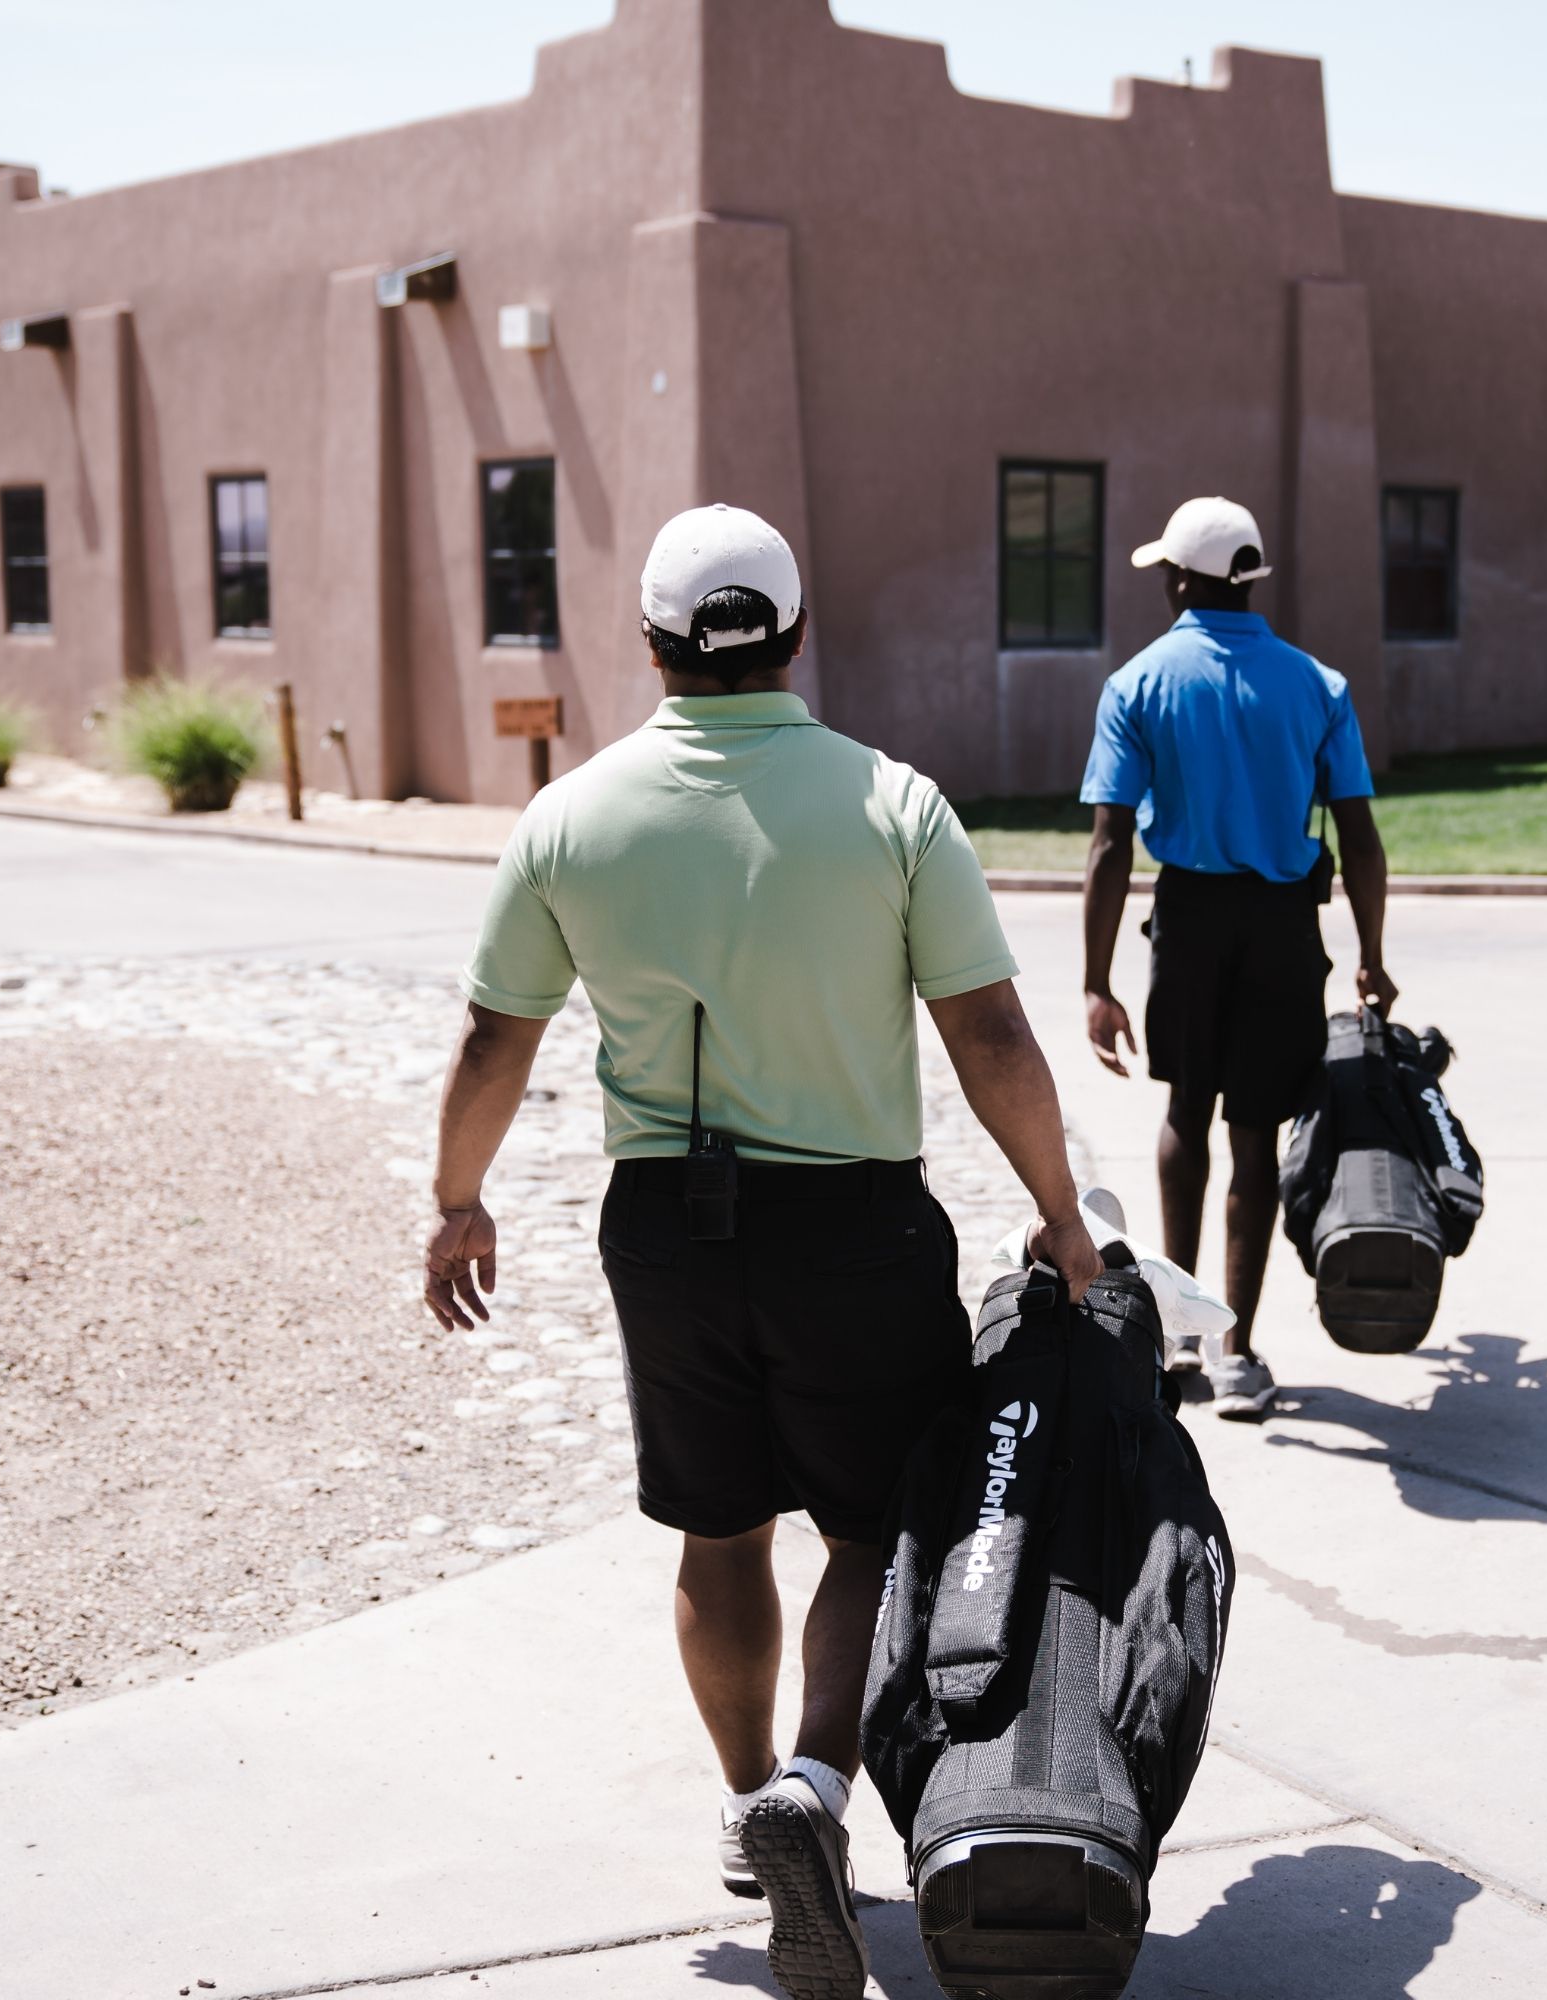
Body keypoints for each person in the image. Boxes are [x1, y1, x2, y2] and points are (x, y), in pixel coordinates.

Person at [425, 504, 1099, 2000]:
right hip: (855, 1221)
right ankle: (814, 1782)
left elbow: (494, 1036)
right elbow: (989, 1032)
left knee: (716, 1530)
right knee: (869, 1532)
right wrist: (1060, 1213)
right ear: (796, 631)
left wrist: (457, 1197)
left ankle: (746, 1811)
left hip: (664, 1228)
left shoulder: (571, 818)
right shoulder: (895, 804)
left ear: (653, 641)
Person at [1079, 495, 1393, 1422]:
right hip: (1287, 927)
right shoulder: (1317, 684)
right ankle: (1240, 1351)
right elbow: (1362, 837)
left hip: (1191, 918)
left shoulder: (1139, 683)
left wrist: (1097, 983)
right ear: (1248, 579)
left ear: (1180, 578)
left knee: (1187, 1112)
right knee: (1255, 1132)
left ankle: (1178, 1347)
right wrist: (1372, 954)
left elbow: (1108, 846)